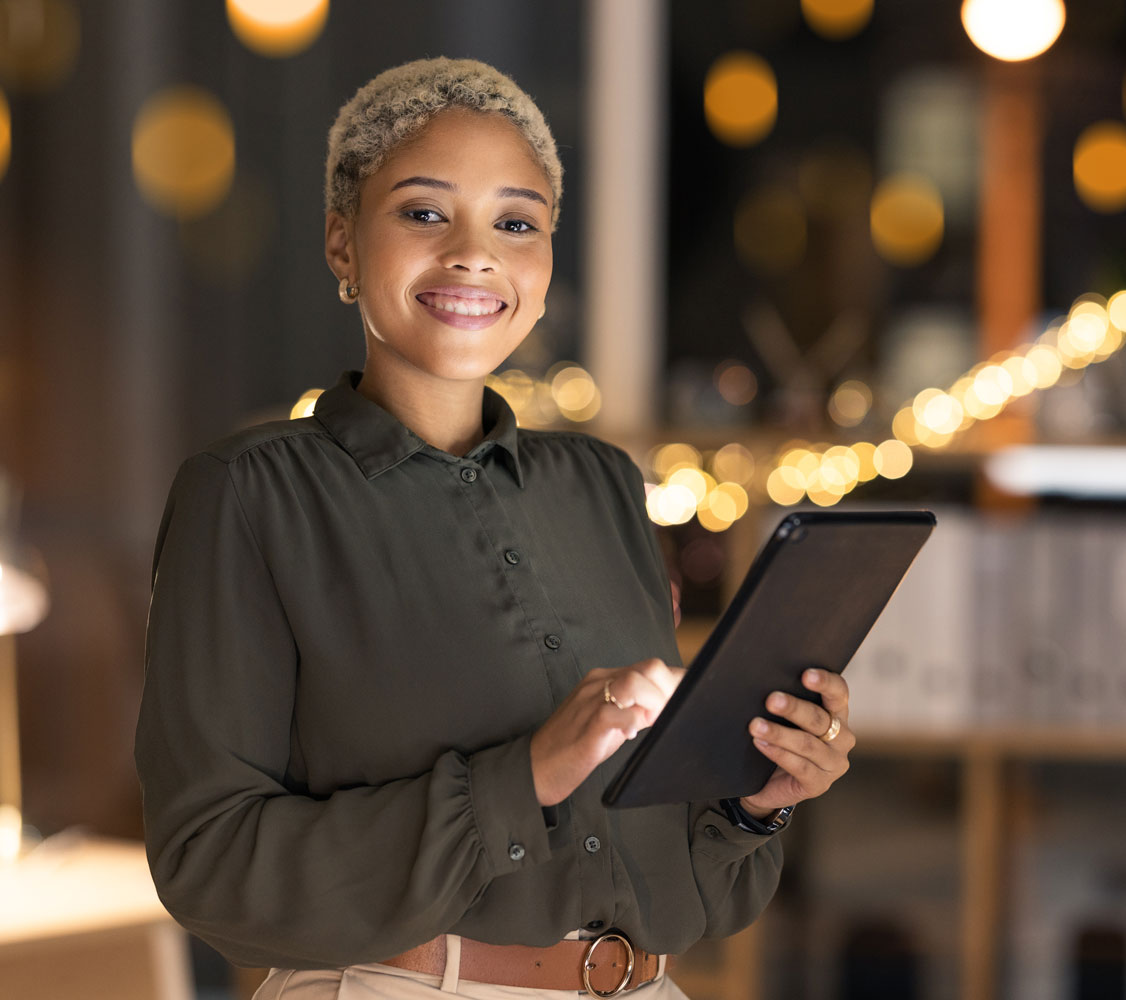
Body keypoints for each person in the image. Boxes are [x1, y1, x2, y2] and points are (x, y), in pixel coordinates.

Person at [134, 57, 855, 1000]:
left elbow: (687, 888)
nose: (475, 253)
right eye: (425, 213)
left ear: (548, 266)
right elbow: (212, 865)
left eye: (516, 223)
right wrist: (524, 778)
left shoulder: (603, 487)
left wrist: (755, 805)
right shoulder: (251, 496)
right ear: (342, 245)